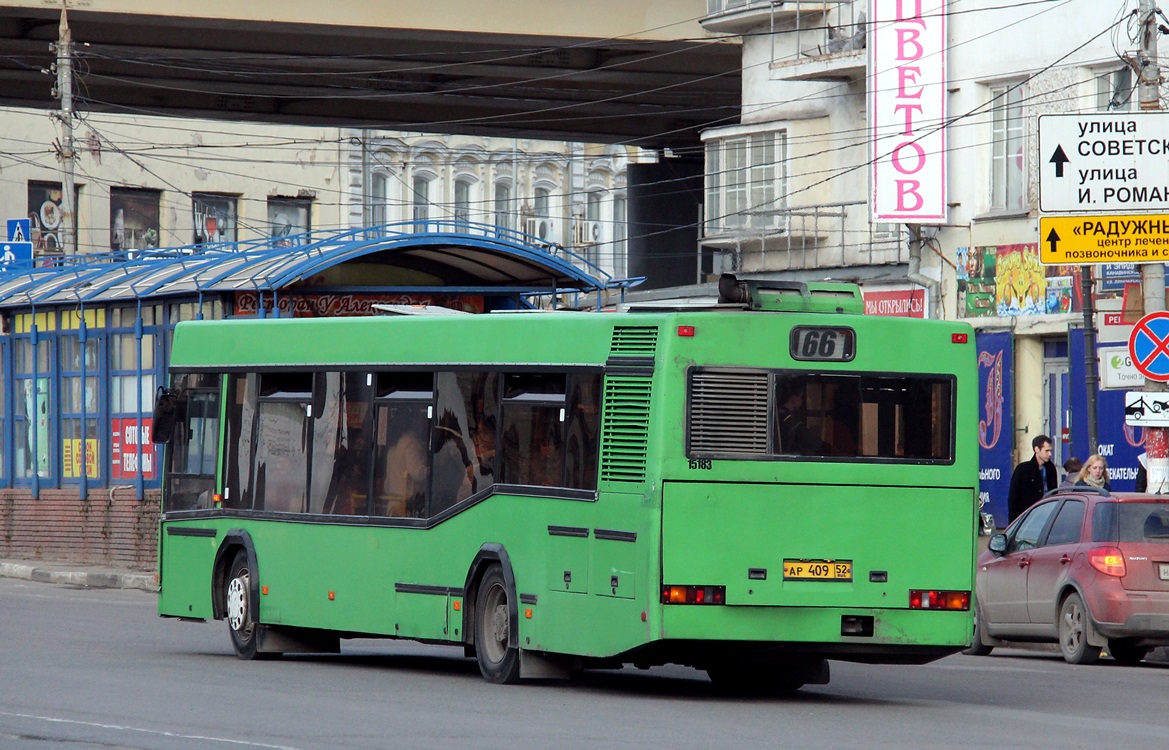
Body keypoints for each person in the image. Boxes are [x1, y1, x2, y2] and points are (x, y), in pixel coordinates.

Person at [1006, 434, 1056, 523]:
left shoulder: (1050, 469)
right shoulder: (1023, 470)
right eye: (1047, 451)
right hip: (1028, 517)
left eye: (1050, 451)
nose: (1050, 454)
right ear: (1037, 449)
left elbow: (1054, 491)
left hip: (1047, 515)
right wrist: (1013, 523)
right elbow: (1013, 498)